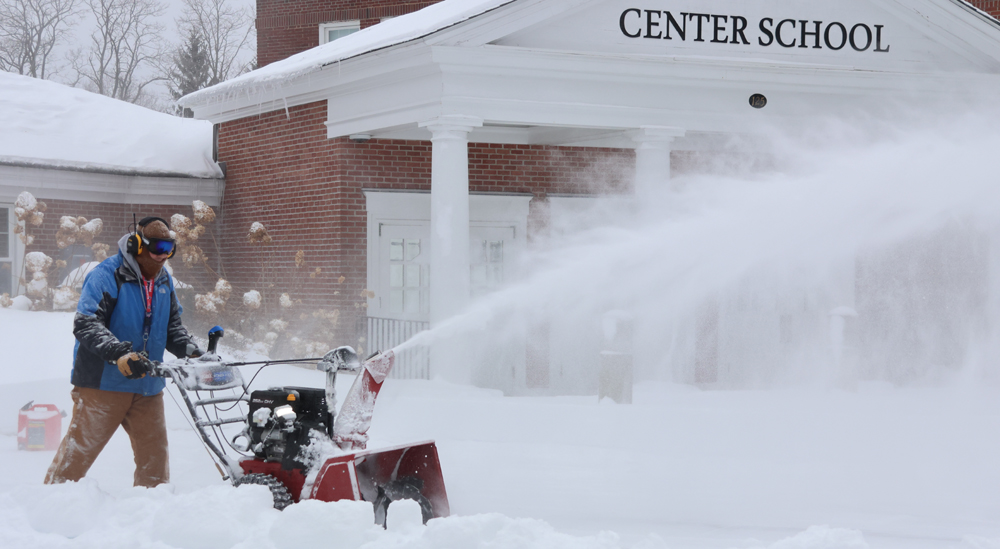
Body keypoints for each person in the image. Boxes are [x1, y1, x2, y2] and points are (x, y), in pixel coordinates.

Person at [45, 216, 202, 488]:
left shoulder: (164, 280)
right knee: (77, 457)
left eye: (169, 248)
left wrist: (191, 350)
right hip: (103, 385)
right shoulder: (108, 275)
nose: (163, 256)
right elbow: (86, 323)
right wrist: (118, 353)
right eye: (157, 248)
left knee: (155, 462)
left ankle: (149, 512)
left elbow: (172, 327)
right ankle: (53, 506)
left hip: (148, 386)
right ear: (136, 245)